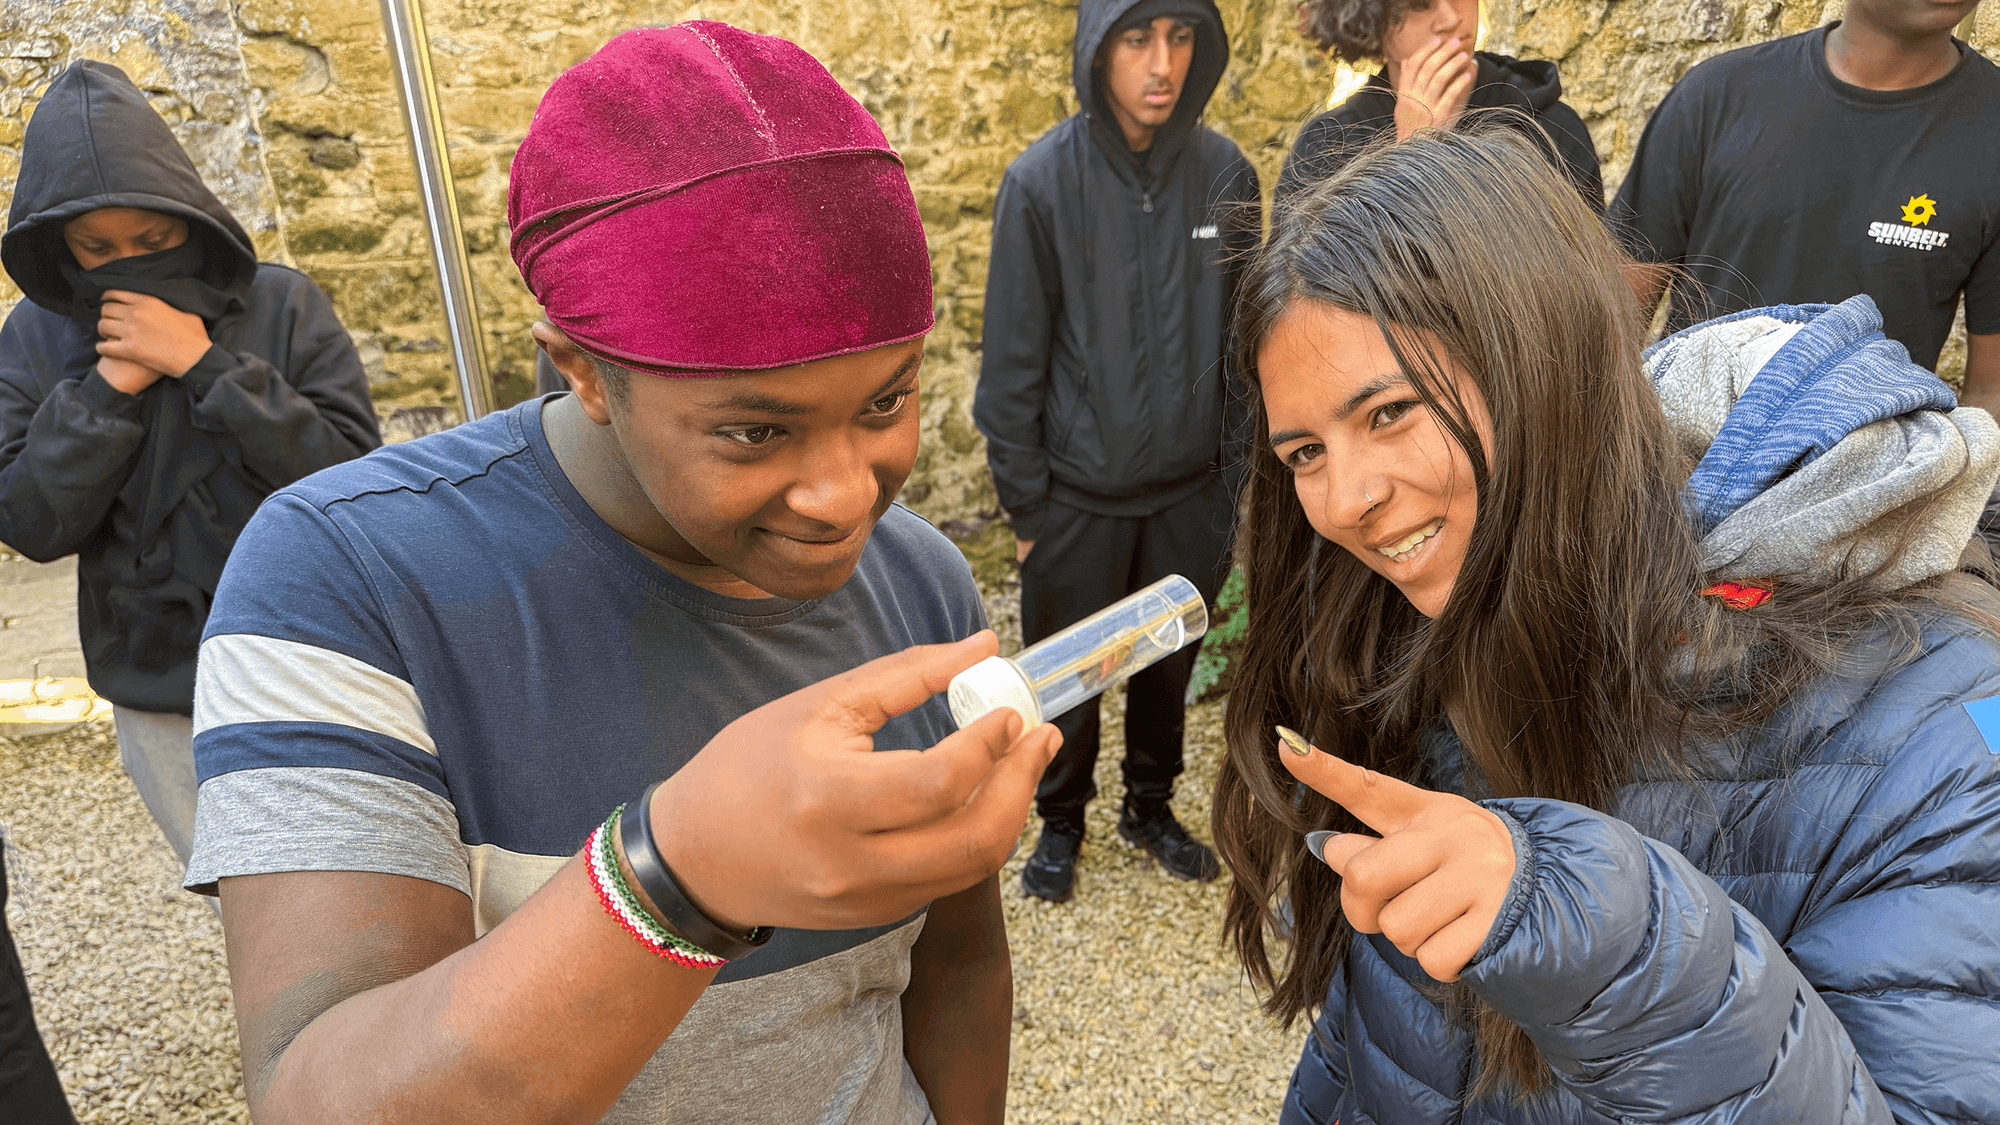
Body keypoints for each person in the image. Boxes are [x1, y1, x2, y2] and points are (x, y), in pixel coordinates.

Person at [182, 24, 1061, 1125]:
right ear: (584, 372)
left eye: (885, 402)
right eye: (753, 432)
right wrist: (674, 876)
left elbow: (958, 970)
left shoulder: (919, 582)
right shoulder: (346, 581)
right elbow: (317, 1100)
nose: (845, 496)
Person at [1211, 125, 2000, 1123]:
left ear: (1541, 363)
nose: (1344, 500)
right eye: (1302, 452)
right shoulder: (1415, 637)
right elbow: (1372, 1051)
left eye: (1387, 413)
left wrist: (1625, 957)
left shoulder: (1942, 730)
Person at [0, 60, 382, 868]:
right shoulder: (35, 339)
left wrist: (203, 364)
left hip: (315, 658)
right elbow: (31, 520)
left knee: (368, 874)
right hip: (159, 688)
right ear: (59, 244)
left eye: (153, 239)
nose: (128, 260)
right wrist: (110, 387)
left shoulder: (281, 304)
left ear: (188, 215)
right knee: (244, 901)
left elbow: (353, 482)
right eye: (97, 248)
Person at [974, 0, 1259, 903]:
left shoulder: (1227, 177)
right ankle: (1059, 826)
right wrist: (1029, 512)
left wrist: (1238, 489)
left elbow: (1250, 353)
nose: (1161, 62)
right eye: (1138, 39)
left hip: (1190, 498)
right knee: (1065, 681)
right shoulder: (1040, 184)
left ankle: (1149, 806)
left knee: (1167, 669)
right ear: (1099, 53)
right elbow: (1013, 360)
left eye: (1180, 38)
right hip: (1077, 502)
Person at [1614, 0, 2000, 412]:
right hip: (1686, 455)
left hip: (1870, 468)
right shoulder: (1717, 95)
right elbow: (1609, 332)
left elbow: (1990, 396)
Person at [1278, 0, 1602, 210]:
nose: (1451, 19)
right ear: (1369, 25)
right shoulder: (1327, 147)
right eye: (1419, 4)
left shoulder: (1549, 126)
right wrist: (1416, 151)